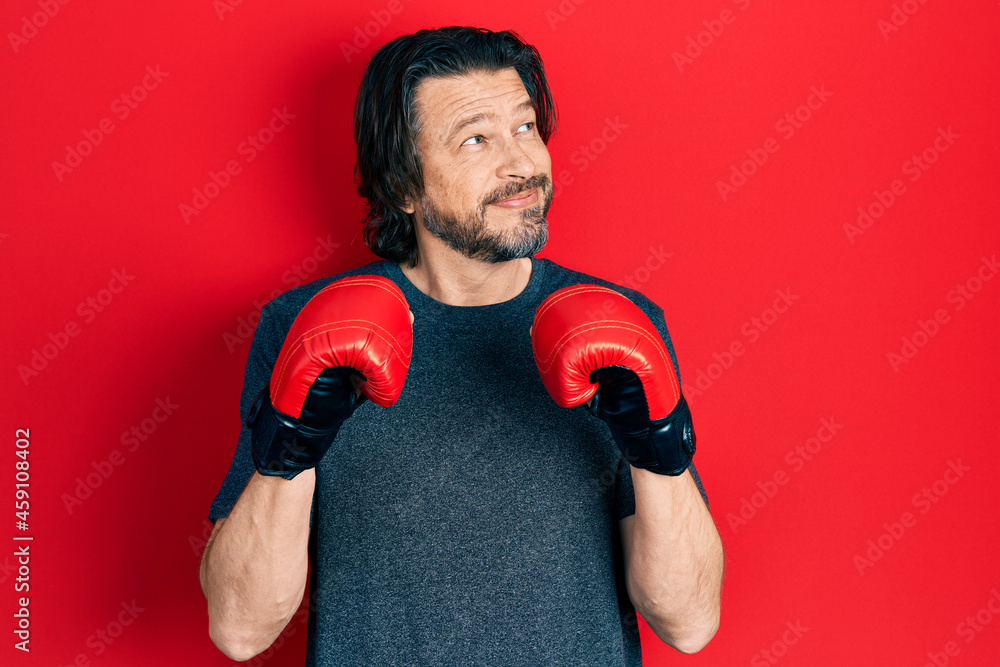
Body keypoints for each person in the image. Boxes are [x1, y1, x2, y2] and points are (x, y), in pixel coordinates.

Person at [199, 26, 723, 666]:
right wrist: (289, 451)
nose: (521, 165)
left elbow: (691, 624)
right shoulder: (302, 325)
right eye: (477, 138)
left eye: (526, 128)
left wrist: (658, 447)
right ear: (403, 187)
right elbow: (239, 629)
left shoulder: (621, 323)